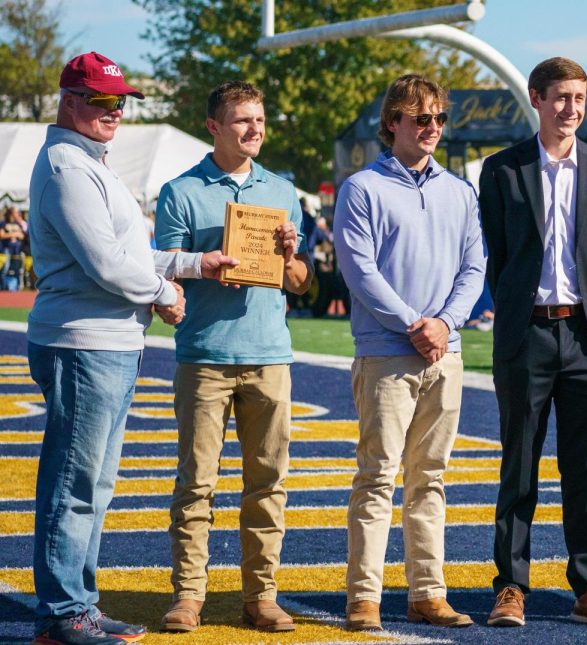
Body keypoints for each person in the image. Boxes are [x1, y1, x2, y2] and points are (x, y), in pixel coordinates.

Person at [27, 51, 235, 645]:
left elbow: (128, 252)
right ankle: (64, 613)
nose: (115, 112)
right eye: (102, 100)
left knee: (91, 484)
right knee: (77, 483)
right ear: (70, 101)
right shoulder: (69, 166)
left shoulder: (87, 161)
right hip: (83, 342)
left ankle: (79, 607)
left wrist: (195, 264)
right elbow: (106, 263)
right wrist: (165, 291)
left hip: (104, 341)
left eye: (121, 102)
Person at [478, 57, 587, 629]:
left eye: (580, 98)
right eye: (561, 97)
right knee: (518, 468)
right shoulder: (501, 169)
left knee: (586, 470)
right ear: (537, 98)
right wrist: (522, 305)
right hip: (525, 334)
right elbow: (496, 252)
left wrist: (586, 310)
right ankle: (511, 585)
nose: (572, 108)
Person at [155, 80, 312, 634]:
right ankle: (189, 595)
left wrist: (293, 257)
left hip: (270, 355)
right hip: (204, 355)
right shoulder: (180, 191)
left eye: (261, 120)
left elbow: (299, 282)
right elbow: (161, 268)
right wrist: (203, 261)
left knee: (268, 483)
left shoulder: (283, 191)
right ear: (214, 127)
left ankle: (261, 595)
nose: (255, 130)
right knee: (196, 483)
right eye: (243, 120)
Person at [333, 73, 484, 631]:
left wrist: (443, 324)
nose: (433, 128)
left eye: (440, 119)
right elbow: (359, 270)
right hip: (386, 353)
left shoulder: (460, 191)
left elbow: (475, 268)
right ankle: (364, 599)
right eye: (422, 118)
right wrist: (413, 324)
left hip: (445, 352)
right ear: (392, 121)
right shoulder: (361, 188)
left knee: (431, 479)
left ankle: (428, 592)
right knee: (377, 478)